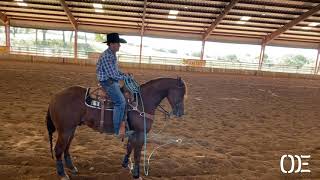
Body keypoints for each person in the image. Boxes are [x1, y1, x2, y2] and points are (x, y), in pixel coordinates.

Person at [96, 32, 129, 137]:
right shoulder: (106, 56)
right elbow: (112, 75)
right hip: (107, 82)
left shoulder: (112, 54)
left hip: (111, 80)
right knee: (120, 102)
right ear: (111, 44)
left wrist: (124, 74)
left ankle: (124, 123)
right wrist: (125, 77)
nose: (119, 45)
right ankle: (117, 130)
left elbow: (115, 70)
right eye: (118, 43)